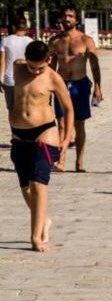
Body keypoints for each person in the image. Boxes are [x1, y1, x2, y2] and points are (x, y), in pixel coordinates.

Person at [8, 41, 73, 252]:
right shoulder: (18, 68)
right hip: (19, 135)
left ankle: (35, 237)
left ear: (49, 61)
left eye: (40, 67)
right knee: (26, 188)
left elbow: (68, 109)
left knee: (38, 184)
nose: (35, 71)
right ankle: (43, 220)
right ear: (25, 59)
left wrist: (65, 139)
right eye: (31, 66)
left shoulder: (53, 78)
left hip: (45, 133)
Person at [49, 7, 103, 172]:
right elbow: (50, 67)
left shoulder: (86, 40)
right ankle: (61, 161)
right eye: (65, 15)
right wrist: (48, 89)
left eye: (70, 16)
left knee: (80, 124)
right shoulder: (55, 41)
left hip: (80, 84)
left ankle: (79, 162)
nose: (67, 18)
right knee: (62, 123)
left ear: (76, 19)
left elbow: (94, 65)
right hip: (61, 84)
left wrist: (98, 87)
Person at [1, 18, 33, 112]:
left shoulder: (5, 40)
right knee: (25, 107)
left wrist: (0, 78)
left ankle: (14, 126)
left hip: (9, 78)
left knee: (11, 109)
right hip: (26, 78)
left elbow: (1, 62)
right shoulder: (30, 41)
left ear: (13, 27)